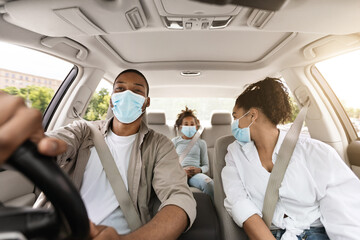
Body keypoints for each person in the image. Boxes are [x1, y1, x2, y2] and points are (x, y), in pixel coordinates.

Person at [0, 69, 197, 240]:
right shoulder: (82, 131)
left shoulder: (159, 144)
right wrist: (25, 141)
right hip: (58, 231)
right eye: (120, 88)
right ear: (111, 98)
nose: (127, 94)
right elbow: (52, 145)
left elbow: (178, 197)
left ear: (146, 102)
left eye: (137, 90)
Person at [221, 77, 360, 240]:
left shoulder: (315, 151)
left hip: (316, 233)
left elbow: (342, 212)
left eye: (235, 116)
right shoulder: (235, 154)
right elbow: (239, 202)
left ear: (252, 115)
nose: (234, 124)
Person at [172, 106, 214, 200]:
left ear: (196, 126)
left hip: (196, 175)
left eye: (192, 124)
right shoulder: (174, 142)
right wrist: (181, 171)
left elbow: (206, 165)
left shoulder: (201, 143)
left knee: (209, 183)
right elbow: (169, 164)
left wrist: (199, 170)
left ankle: (215, 211)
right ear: (180, 127)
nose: (189, 126)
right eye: (186, 124)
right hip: (179, 174)